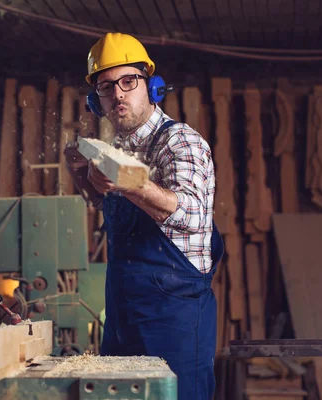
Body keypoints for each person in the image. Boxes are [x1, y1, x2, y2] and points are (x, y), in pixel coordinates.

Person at [64, 32, 224, 400]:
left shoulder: (179, 141)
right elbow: (120, 213)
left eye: (128, 81)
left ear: (151, 87)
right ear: (96, 100)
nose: (118, 94)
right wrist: (88, 179)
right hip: (121, 322)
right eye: (106, 87)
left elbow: (191, 215)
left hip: (174, 327)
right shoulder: (118, 151)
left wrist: (127, 183)